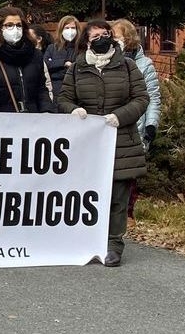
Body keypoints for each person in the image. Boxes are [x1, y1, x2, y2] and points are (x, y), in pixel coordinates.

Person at [57, 19, 149, 267]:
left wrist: (120, 116)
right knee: (88, 194)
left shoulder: (127, 66)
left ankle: (113, 244)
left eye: (105, 34)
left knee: (118, 196)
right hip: (88, 144)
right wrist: (73, 110)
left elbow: (141, 98)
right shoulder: (77, 68)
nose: (102, 39)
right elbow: (64, 97)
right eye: (95, 36)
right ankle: (85, 239)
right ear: (86, 41)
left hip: (121, 141)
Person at [110, 18, 161, 227]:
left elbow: (152, 98)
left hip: (134, 126)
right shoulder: (107, 61)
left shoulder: (144, 64)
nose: (113, 40)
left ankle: (127, 213)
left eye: (116, 36)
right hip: (110, 123)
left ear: (128, 38)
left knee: (128, 173)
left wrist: (151, 126)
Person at [0, 7, 54, 113]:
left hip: (34, 121)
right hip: (4, 123)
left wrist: (47, 111)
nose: (15, 29)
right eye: (9, 25)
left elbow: (42, 90)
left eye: (18, 25)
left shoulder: (35, 55)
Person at [45, 15, 82, 101]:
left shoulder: (81, 48)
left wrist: (55, 65)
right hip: (56, 89)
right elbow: (46, 64)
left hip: (76, 88)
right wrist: (63, 63)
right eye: (67, 28)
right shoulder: (52, 48)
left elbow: (79, 65)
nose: (70, 31)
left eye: (73, 28)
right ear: (61, 30)